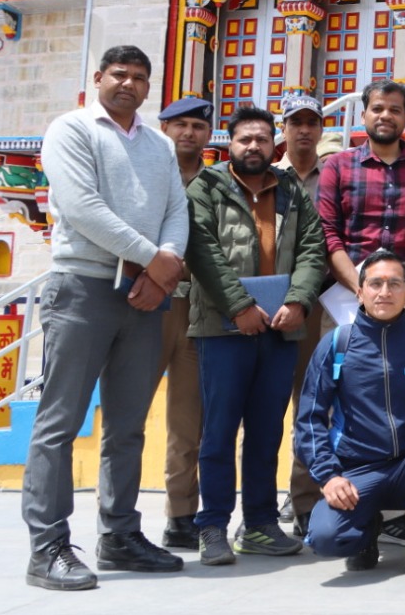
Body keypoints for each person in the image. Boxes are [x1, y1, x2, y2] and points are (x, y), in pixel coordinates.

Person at [24, 46, 189, 590]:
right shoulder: (71, 130)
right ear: (98, 78)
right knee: (60, 423)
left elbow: (175, 212)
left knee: (128, 425)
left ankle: (119, 534)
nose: (129, 84)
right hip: (84, 287)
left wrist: (159, 272)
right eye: (119, 74)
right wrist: (154, 259)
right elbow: (81, 206)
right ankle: (47, 546)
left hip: (144, 294)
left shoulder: (159, 144)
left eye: (140, 78)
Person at [184, 104, 329, 565]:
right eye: (245, 139)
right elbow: (201, 248)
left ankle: (262, 523)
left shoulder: (289, 189)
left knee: (268, 431)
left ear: (275, 145)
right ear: (230, 143)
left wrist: (298, 301)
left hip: (281, 327)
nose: (253, 147)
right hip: (223, 328)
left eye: (262, 140)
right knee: (219, 431)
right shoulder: (206, 186)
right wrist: (240, 306)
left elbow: (313, 247)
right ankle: (212, 526)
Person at [295, 249, 405, 581]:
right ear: (360, 292)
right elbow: (310, 419)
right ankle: (366, 531)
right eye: (375, 284)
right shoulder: (337, 346)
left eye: (394, 284)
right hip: (358, 470)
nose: (384, 292)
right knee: (325, 538)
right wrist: (329, 476)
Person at [317, 80, 405, 328]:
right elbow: (328, 234)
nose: (386, 115)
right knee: (344, 367)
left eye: (395, 110)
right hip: (347, 299)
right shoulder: (338, 166)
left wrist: (400, 285)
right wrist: (361, 288)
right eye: (377, 109)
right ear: (364, 115)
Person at [152, 95, 212, 551]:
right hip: (150, 304)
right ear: (164, 127)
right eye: (181, 125)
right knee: (127, 416)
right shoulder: (146, 174)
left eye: (198, 126)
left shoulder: (214, 183)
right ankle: (119, 521)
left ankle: (180, 514)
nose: (189, 133)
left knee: (187, 421)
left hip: (195, 308)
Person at [276, 91, 331, 535]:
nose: (304, 130)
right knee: (261, 410)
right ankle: (262, 505)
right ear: (284, 128)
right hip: (267, 302)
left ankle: (305, 500)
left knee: (310, 407)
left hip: (318, 304)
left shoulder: (331, 178)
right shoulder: (265, 177)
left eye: (312, 122)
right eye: (296, 122)